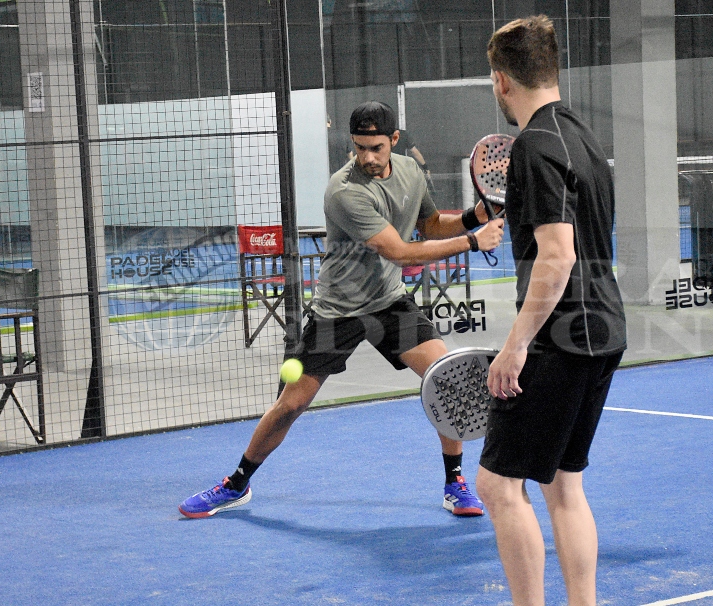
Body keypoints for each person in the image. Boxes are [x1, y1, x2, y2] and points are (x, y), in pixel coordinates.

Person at [180, 101, 506, 519]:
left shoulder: (410, 171)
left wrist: (474, 216)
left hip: (389, 303)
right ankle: (236, 484)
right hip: (339, 310)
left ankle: (454, 483)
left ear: (394, 140)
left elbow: (429, 226)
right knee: (291, 405)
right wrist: (474, 241)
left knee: (446, 380)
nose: (367, 157)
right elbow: (400, 252)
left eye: (376, 147)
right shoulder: (344, 191)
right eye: (359, 148)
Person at [475, 17, 627, 606]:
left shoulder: (534, 146)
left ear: (501, 80)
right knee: (564, 485)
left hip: (560, 340)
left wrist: (515, 347)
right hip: (603, 330)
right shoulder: (583, 138)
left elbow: (557, 256)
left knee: (497, 485)